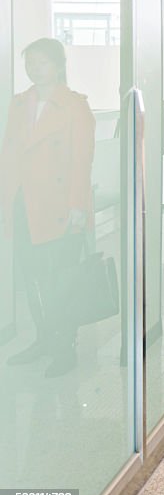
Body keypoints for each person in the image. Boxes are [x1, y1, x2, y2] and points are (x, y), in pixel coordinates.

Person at [0, 38, 95, 377]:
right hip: (23, 203)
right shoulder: (19, 103)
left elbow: (81, 161)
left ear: (57, 65)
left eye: (41, 62)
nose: (34, 68)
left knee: (61, 281)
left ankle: (64, 346)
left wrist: (78, 207)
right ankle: (43, 338)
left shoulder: (73, 105)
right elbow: (10, 154)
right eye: (30, 62)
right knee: (33, 278)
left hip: (59, 206)